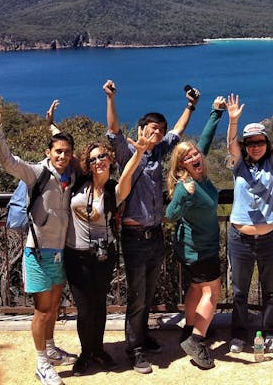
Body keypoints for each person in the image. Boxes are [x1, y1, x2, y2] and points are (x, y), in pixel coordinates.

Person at [0, 100, 78, 385]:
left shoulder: (69, 176)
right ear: (48, 152)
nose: (63, 155)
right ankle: (42, 364)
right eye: (58, 151)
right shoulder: (36, 173)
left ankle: (50, 348)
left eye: (67, 152)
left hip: (59, 252)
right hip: (38, 253)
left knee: (54, 306)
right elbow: (8, 161)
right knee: (43, 310)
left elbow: (68, 148)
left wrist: (53, 125)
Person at [104, 78, 199, 375]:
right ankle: (134, 349)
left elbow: (178, 130)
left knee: (148, 294)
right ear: (142, 128)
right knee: (136, 295)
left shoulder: (158, 153)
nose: (157, 132)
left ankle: (142, 336)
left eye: (160, 129)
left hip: (155, 236)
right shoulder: (126, 154)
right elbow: (114, 131)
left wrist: (191, 106)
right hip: (133, 237)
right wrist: (110, 98)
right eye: (152, 128)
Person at [64, 125, 156, 376]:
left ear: (109, 158)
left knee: (99, 305)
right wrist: (51, 123)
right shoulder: (79, 182)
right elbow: (63, 149)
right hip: (76, 255)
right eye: (92, 159)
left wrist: (138, 152)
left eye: (102, 156)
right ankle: (86, 353)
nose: (98, 162)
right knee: (84, 309)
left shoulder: (114, 190)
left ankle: (98, 350)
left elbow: (128, 175)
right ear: (87, 164)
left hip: (103, 257)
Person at [224, 87, 273, 355]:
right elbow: (231, 144)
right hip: (240, 238)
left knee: (270, 290)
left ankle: (269, 333)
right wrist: (233, 121)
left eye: (259, 142)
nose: (255, 146)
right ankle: (240, 335)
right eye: (250, 142)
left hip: (270, 238)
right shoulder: (238, 165)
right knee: (239, 291)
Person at [165, 95, 226, 369]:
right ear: (181, 167)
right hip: (199, 248)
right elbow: (169, 215)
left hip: (195, 248)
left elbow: (204, 142)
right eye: (187, 157)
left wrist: (215, 112)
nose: (194, 156)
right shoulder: (185, 185)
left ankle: (189, 328)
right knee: (212, 293)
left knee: (197, 288)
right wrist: (181, 197)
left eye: (195, 154)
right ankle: (197, 340)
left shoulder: (199, 172)